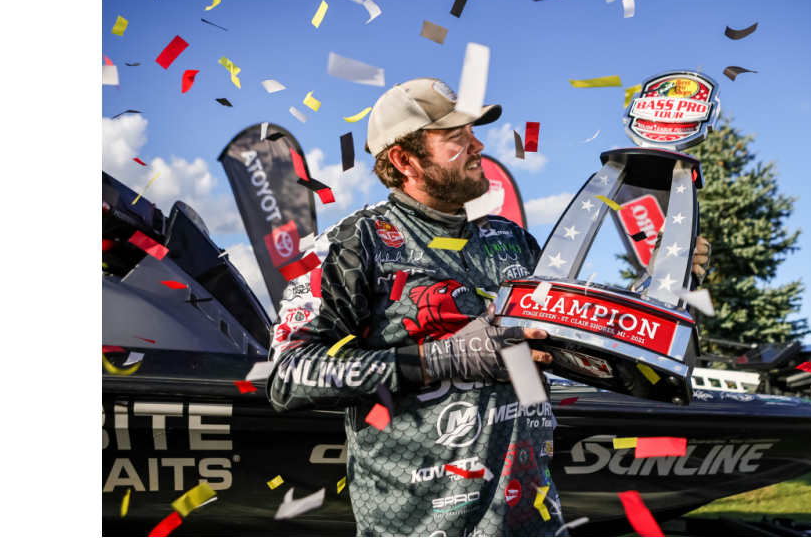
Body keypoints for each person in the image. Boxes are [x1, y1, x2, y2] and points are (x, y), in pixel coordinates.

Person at [267, 77, 711, 537]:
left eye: (473, 131)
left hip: (531, 524)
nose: (478, 145)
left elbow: (577, 345)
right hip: (413, 529)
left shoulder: (512, 241)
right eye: (457, 137)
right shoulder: (353, 244)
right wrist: (440, 358)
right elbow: (288, 376)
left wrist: (667, 285)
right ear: (404, 160)